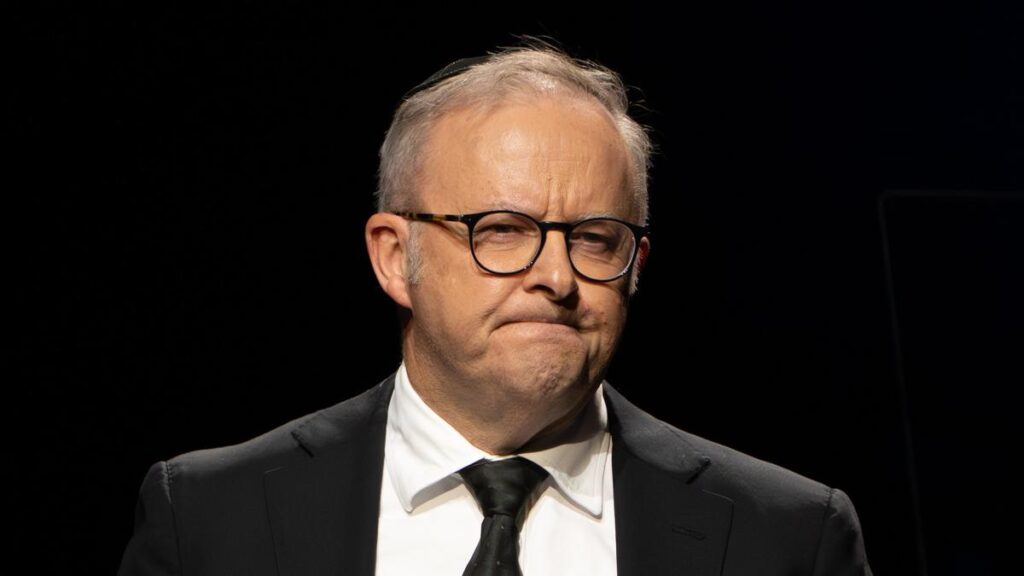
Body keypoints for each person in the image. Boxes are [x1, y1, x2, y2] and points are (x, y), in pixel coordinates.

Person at [118, 39, 872, 575]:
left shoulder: (789, 538)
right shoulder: (209, 519)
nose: (557, 277)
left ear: (636, 265)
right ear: (395, 257)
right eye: (502, 230)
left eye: (595, 238)